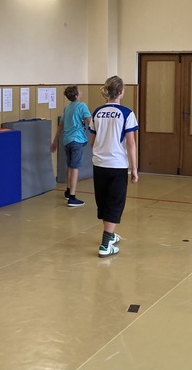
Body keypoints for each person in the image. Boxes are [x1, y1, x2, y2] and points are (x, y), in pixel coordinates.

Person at [88, 76, 139, 258]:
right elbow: (131, 143)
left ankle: (109, 235)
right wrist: (134, 168)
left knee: (103, 200)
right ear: (121, 92)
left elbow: (92, 140)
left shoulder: (97, 112)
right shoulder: (127, 113)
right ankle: (105, 244)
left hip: (99, 164)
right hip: (117, 165)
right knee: (115, 202)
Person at [50, 85, 92, 207]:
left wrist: (55, 141)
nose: (81, 91)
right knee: (74, 168)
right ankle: (72, 197)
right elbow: (90, 122)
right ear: (76, 95)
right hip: (77, 140)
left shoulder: (67, 108)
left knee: (69, 165)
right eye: (79, 91)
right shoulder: (82, 106)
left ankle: (68, 191)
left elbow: (61, 125)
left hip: (67, 140)